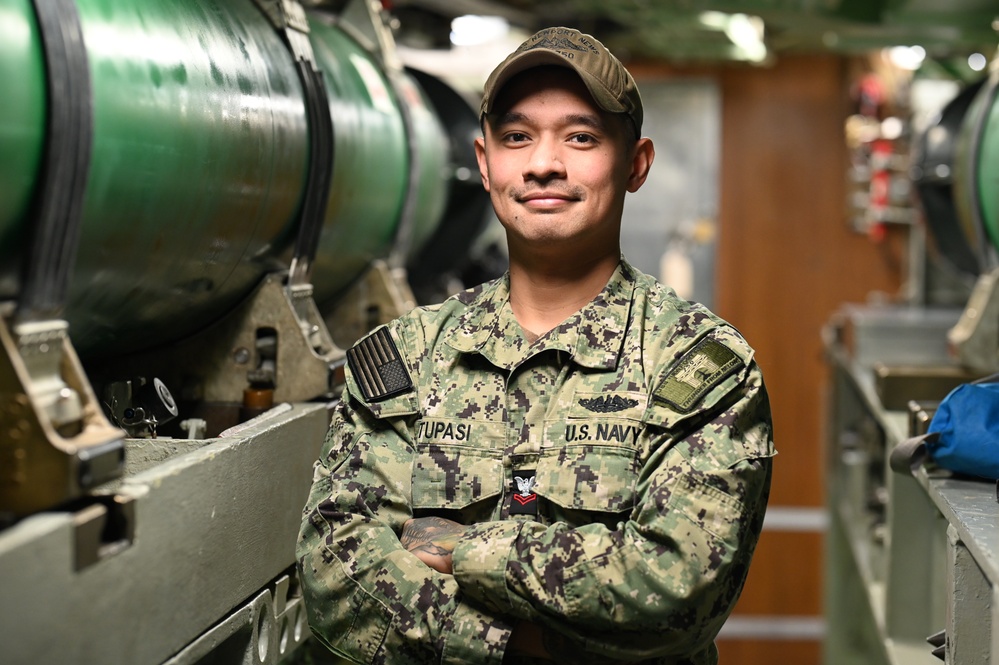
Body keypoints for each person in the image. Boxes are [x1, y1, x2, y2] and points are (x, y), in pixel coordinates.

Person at [298, 26, 776, 665]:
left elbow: (674, 593)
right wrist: (514, 645)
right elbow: (337, 575)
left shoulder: (698, 366)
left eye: (581, 137)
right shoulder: (407, 358)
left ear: (635, 164)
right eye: (517, 137)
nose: (543, 163)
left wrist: (461, 551)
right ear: (484, 160)